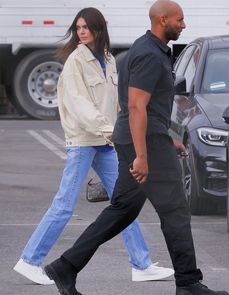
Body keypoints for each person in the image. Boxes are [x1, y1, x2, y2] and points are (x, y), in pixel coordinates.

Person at [44, 1, 229, 295]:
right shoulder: (148, 55)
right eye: (179, 19)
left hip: (146, 138)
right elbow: (135, 106)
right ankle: (188, 283)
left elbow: (151, 108)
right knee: (176, 210)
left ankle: (65, 267)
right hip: (144, 144)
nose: (184, 24)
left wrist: (169, 136)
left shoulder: (150, 50)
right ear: (162, 20)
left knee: (122, 210)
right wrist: (142, 156)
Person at [13, 7, 174, 286]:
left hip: (105, 141)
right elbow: (79, 104)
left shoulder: (109, 59)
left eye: (87, 27)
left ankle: (141, 264)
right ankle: (30, 260)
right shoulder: (76, 61)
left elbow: (115, 101)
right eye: (78, 28)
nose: (82, 32)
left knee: (125, 203)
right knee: (64, 205)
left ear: (99, 29)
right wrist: (107, 128)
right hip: (84, 141)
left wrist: (120, 128)